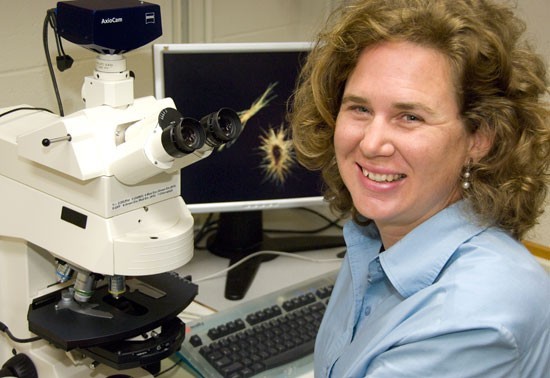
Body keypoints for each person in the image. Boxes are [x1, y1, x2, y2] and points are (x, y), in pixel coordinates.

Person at [289, 0, 550, 376]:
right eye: (359, 109)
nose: (372, 143)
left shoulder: (472, 315)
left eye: (409, 116)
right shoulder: (380, 233)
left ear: (479, 138)